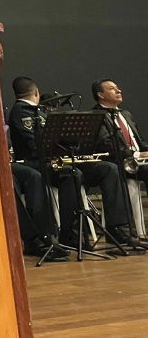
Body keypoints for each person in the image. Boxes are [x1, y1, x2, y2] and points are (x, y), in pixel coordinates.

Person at [8, 76, 139, 248]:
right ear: (36, 92)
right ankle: (69, 233)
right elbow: (35, 145)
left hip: (61, 159)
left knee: (109, 169)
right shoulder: (22, 112)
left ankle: (117, 227)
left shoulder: (38, 111)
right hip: (39, 163)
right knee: (71, 174)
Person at [91, 79, 148, 183]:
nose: (119, 91)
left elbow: (139, 141)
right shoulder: (96, 116)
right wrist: (137, 154)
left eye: (117, 88)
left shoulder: (126, 114)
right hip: (119, 161)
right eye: (112, 89)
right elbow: (107, 145)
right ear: (100, 95)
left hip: (139, 159)